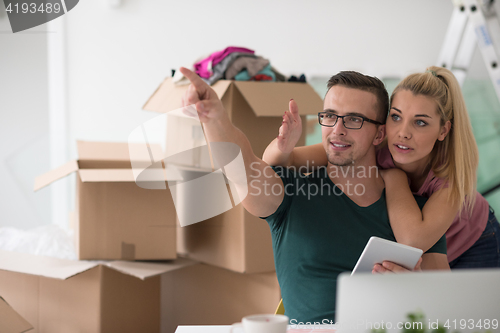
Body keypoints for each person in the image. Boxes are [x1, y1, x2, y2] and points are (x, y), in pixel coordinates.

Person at [178, 67, 448, 324]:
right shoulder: (292, 192)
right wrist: (215, 119)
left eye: (354, 119)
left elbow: (447, 313)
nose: (337, 129)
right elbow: (241, 167)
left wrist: (415, 290)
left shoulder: (414, 212)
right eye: (330, 115)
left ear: (379, 134)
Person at [263, 66, 500, 269]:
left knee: (473, 319)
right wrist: (284, 145)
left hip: (472, 242)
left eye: (420, 122)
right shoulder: (373, 145)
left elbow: (412, 240)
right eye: (396, 117)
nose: (403, 133)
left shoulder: (449, 179)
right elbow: (282, 162)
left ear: (443, 130)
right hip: (422, 254)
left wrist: (394, 177)